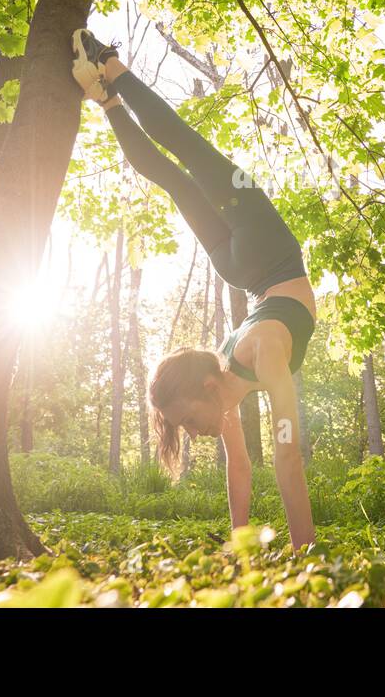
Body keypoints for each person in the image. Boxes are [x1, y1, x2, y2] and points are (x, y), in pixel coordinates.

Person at [71, 28, 317, 549]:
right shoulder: (227, 385)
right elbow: (246, 470)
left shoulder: (251, 356)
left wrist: (306, 553)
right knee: (177, 165)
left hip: (259, 256)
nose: (192, 432)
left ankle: (109, 74)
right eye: (185, 425)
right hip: (249, 265)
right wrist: (243, 549)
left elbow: (285, 455)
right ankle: (107, 92)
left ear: (203, 389)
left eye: (184, 421)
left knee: (179, 160)